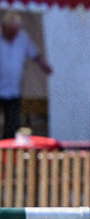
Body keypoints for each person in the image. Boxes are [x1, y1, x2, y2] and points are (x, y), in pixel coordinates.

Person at [0, 11, 52, 140]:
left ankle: (8, 147)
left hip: (14, 89)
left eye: (15, 31)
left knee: (12, 123)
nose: (14, 34)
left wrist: (44, 65)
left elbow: (34, 53)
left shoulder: (22, 37)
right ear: (4, 27)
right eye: (11, 31)